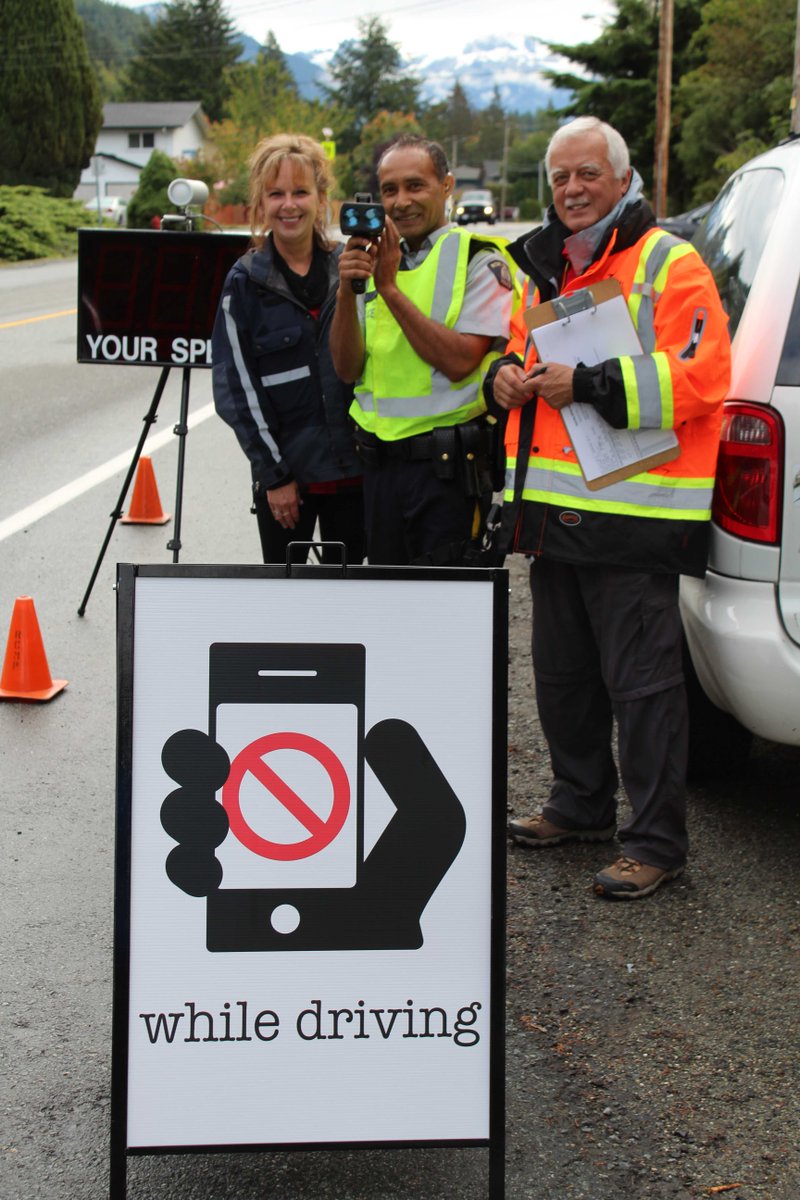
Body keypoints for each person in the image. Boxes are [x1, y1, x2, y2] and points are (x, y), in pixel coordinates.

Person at [485, 117, 731, 899]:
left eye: (588, 173)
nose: (572, 189)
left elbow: (701, 373)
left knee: (643, 687)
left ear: (623, 180)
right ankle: (580, 805)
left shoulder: (668, 261)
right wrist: (503, 378)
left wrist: (589, 384)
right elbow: (521, 351)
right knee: (562, 678)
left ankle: (655, 842)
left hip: (635, 514)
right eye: (560, 176)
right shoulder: (542, 264)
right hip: (553, 512)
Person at [330, 135, 516, 566]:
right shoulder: (369, 258)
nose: (401, 202)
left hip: (446, 474)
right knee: (387, 600)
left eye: (415, 186)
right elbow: (346, 367)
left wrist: (389, 288)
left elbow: (460, 361)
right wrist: (345, 289)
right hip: (380, 469)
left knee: (444, 600)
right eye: (389, 190)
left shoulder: (478, 259)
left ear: (447, 186)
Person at [212, 133, 364, 565]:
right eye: (275, 194)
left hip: (356, 476)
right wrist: (274, 476)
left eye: (300, 192)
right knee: (285, 597)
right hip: (288, 484)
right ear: (260, 204)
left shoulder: (351, 269)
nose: (288, 205)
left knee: (352, 594)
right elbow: (236, 392)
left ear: (321, 198)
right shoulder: (244, 282)